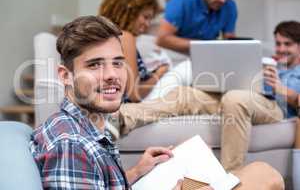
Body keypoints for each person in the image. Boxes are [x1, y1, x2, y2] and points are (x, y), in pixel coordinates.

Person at [29, 15, 284, 189]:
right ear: (65, 76)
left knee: (261, 170)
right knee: (267, 179)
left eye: (117, 63)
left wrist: (137, 171)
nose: (111, 75)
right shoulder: (70, 146)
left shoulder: (83, 127)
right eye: (95, 65)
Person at [120, 20, 300, 171]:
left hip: (275, 107)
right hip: (242, 96)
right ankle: (121, 118)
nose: (281, 49)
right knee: (185, 94)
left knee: (235, 98)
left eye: (288, 44)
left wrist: (280, 88)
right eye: (278, 43)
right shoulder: (269, 63)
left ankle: (232, 178)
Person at [99, 0, 192, 102]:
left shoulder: (104, 35)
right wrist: (159, 73)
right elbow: (135, 93)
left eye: (150, 19)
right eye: (145, 17)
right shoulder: (125, 37)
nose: (147, 24)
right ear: (130, 11)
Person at [156, 0, 237, 53]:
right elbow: (162, 39)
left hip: (205, 53)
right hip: (176, 53)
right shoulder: (183, 0)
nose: (223, 0)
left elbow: (230, 42)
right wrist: (203, 45)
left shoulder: (229, 6)